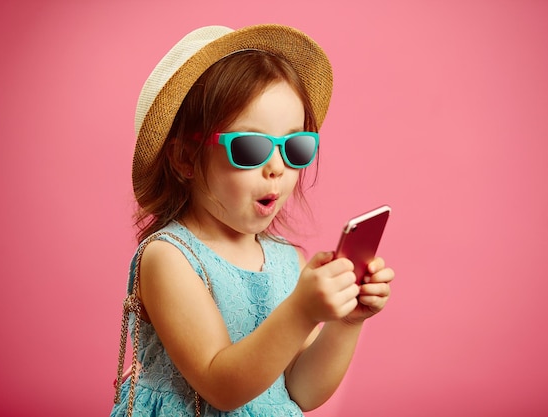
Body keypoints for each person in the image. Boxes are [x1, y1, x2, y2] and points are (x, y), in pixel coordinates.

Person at [111, 24, 395, 417]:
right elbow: (221, 387)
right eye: (250, 147)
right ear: (184, 159)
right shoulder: (168, 258)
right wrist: (301, 311)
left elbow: (301, 390)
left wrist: (345, 322)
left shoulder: (286, 261)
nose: (277, 167)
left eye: (295, 146)